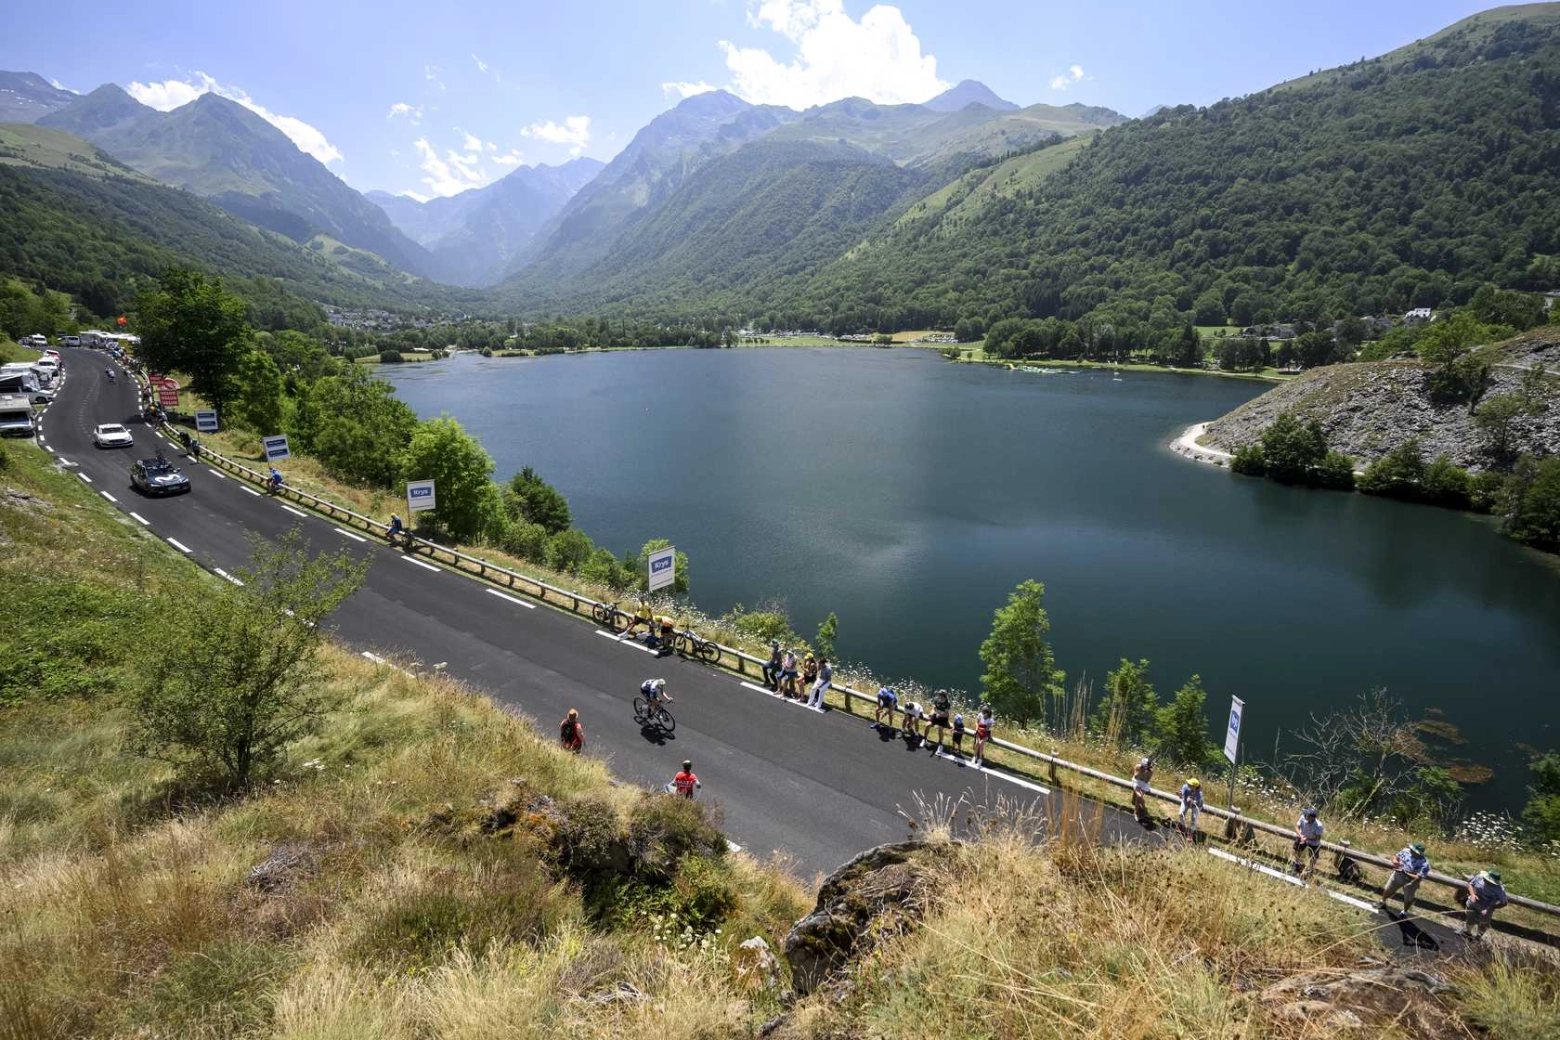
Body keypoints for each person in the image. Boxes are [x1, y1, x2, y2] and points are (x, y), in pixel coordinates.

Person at [1378, 842, 1430, 915]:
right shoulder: (1406, 851)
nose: (1411, 851)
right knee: (1388, 889)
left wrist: (1405, 872)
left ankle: (1404, 912)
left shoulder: (1424, 863)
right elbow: (1395, 857)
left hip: (1411, 882)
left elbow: (1418, 877)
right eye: (1411, 849)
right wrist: (1395, 862)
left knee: (1408, 898)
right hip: (1397, 875)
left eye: (1414, 851)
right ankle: (1382, 901)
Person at [1461, 869, 1508, 941]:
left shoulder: (1499, 889)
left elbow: (1504, 902)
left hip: (1487, 906)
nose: (1486, 882)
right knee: (1470, 917)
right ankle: (1467, 932)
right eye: (1486, 880)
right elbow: (1470, 884)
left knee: (1484, 922)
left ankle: (1478, 937)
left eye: (1489, 882)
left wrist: (1492, 907)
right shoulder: (1480, 877)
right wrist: (1473, 894)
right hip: (1474, 902)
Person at [1292, 808, 1325, 879]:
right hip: (1302, 836)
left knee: (1313, 857)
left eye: (1307, 816)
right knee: (1297, 851)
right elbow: (1297, 826)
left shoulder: (1318, 825)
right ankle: (1297, 864)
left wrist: (1307, 839)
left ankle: (1310, 870)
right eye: (1306, 815)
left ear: (1312, 818)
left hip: (1313, 841)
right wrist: (1301, 836)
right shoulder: (1302, 817)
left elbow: (1318, 838)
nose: (1305, 816)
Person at [926, 690, 952, 754]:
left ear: (943, 696)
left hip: (943, 718)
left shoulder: (947, 703)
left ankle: (940, 745)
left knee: (940, 729)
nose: (938, 696)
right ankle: (925, 739)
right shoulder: (936, 699)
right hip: (936, 715)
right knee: (928, 725)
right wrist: (931, 713)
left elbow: (947, 714)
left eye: (939, 695)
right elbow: (933, 708)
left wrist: (940, 715)